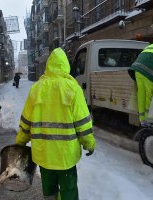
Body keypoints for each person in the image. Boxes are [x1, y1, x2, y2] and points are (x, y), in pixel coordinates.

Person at [15, 48, 96, 200]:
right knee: (68, 191)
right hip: (65, 156)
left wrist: (20, 142)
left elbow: (26, 122)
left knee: (49, 190)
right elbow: (83, 123)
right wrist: (89, 144)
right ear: (65, 65)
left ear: (48, 66)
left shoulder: (36, 89)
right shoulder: (73, 88)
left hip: (44, 154)